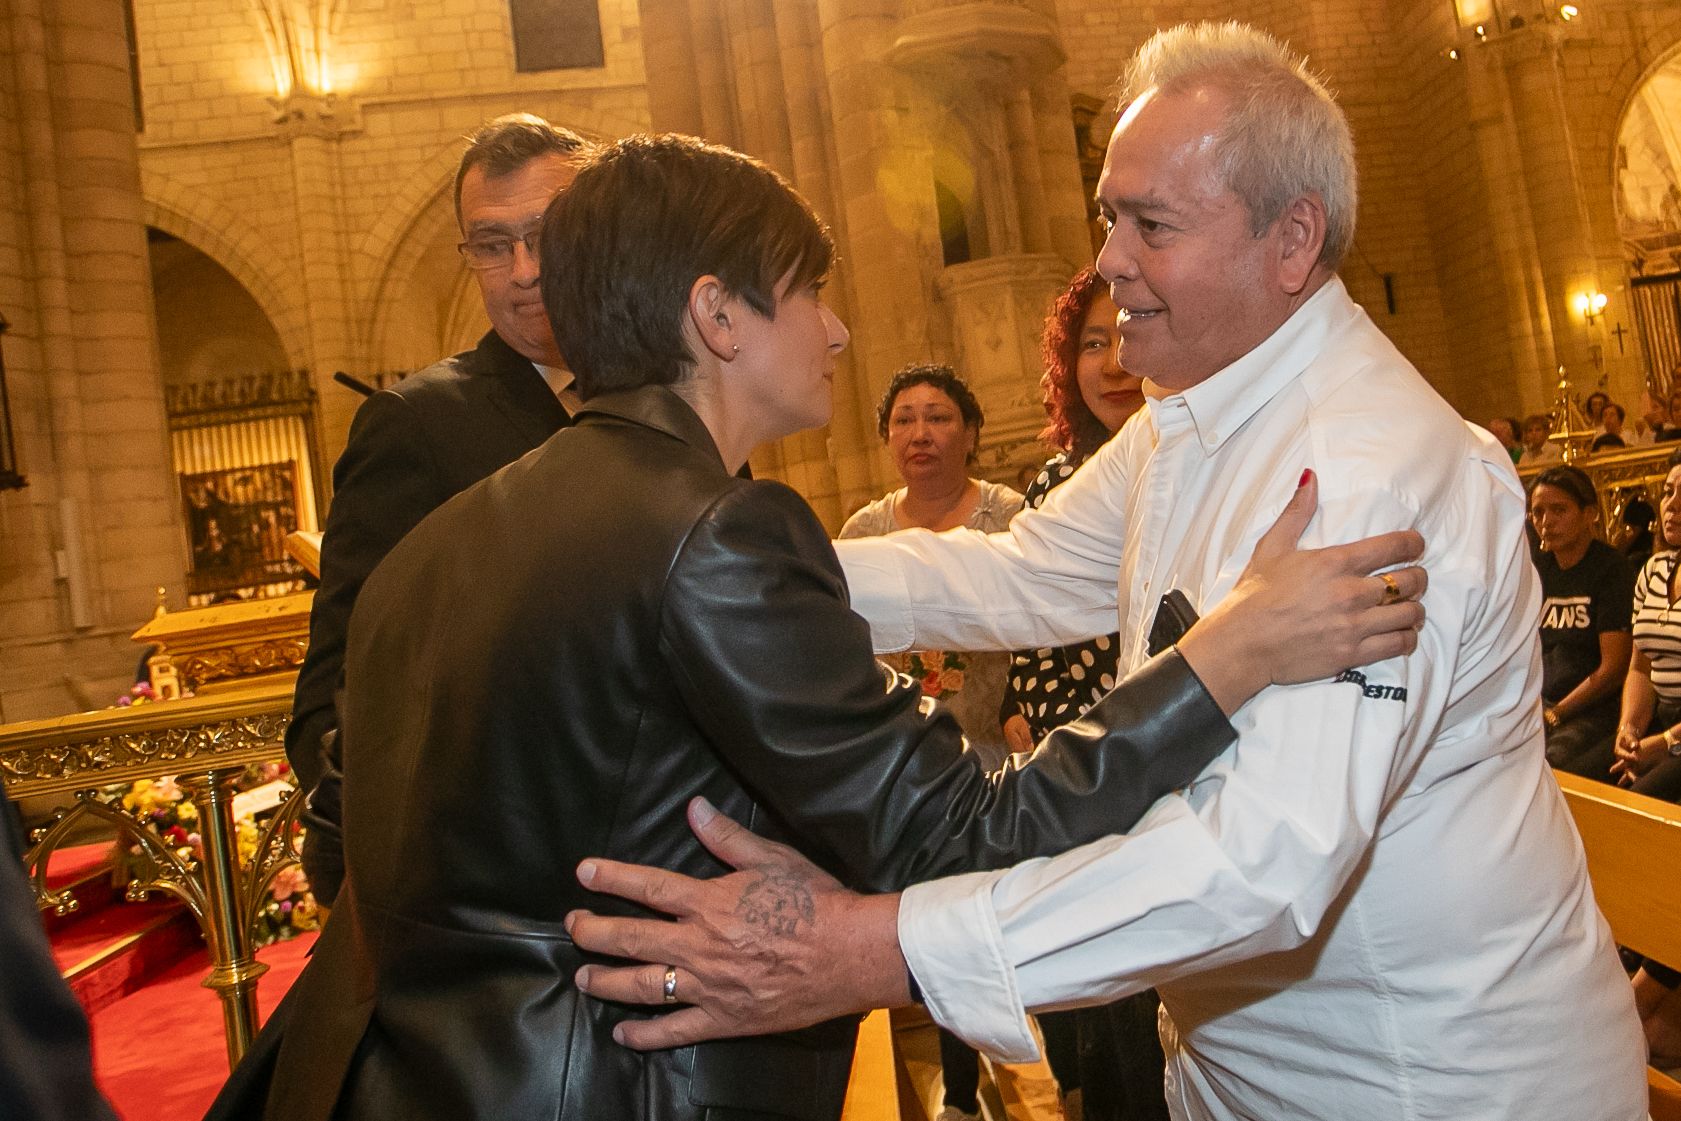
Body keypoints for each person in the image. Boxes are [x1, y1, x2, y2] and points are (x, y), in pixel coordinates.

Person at [203, 133, 1425, 1121]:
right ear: (718, 315)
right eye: (808, 291)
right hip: (617, 1081)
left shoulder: (446, 534)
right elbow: (970, 826)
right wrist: (1228, 652)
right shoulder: (716, 530)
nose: (837, 330)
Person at [566, 24, 1645, 1121]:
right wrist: (721, 571)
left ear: (1291, 239)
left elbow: (1264, 861)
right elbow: (1023, 570)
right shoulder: (1193, 410)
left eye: (1152, 225)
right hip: (1249, 1076)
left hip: (1425, 1079)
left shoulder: (1367, 475)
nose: (1109, 262)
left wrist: (872, 948)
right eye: (1107, 218)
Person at [286, 114, 590, 906]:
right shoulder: (416, 427)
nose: (522, 270)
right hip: (504, 905)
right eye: (492, 245)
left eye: (546, 234)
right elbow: (332, 698)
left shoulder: (682, 398)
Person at [996, 267, 1163, 1121]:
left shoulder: (1196, 461)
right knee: (1115, 1011)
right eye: (1089, 344)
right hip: (1090, 776)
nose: (1112, 361)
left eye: (1124, 335)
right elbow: (1034, 644)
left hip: (1175, 769)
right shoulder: (1056, 483)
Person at [841, 365, 1022, 772]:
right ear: (887, 437)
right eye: (903, 420)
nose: (919, 433)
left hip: (999, 742)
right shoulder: (863, 533)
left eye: (937, 417)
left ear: (971, 433)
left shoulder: (1008, 516)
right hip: (899, 755)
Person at [1529, 465, 1633, 778]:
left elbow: (1613, 670)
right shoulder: (1537, 569)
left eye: (1559, 510)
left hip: (1594, 706)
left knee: (1551, 765)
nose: (1546, 522)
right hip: (1542, 700)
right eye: (1538, 512)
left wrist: (1555, 713)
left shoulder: (1612, 570)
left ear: (1590, 514)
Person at [1611, 449, 1681, 799]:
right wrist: (1631, 730)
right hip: (1664, 721)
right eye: (1668, 492)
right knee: (1595, 780)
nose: (1673, 505)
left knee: (1640, 798)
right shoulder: (1655, 570)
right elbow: (1640, 667)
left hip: (1677, 735)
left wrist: (1668, 743)